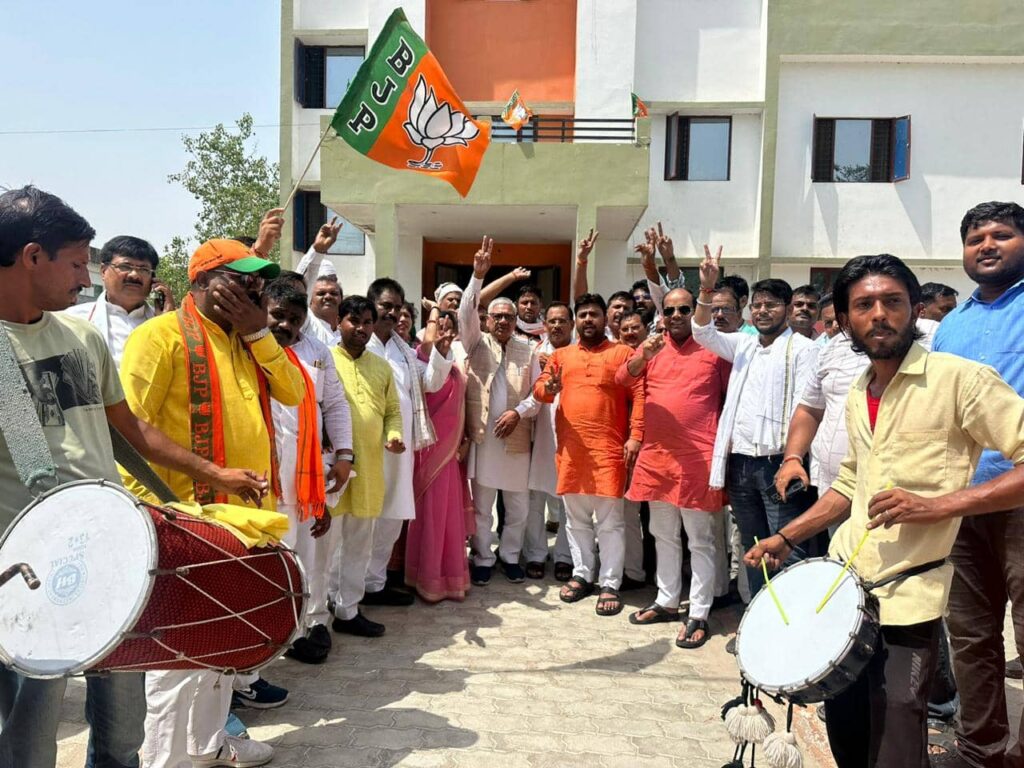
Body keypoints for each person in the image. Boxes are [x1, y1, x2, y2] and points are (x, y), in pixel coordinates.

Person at [0, 187, 269, 768]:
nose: (87, 277)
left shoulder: (81, 337)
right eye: (78, 263)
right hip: (29, 577)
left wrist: (213, 474)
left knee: (124, 730)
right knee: (28, 739)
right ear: (32, 257)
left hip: (109, 558)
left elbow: (131, 431)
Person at [746, 253, 1024, 768]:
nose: (879, 314)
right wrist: (787, 537)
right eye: (864, 305)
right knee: (847, 728)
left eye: (892, 302)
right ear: (844, 319)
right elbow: (851, 483)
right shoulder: (860, 390)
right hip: (844, 589)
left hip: (909, 594)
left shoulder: (961, 380)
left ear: (914, 310)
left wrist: (939, 506)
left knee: (896, 730)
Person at [119, 237, 304, 768]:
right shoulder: (159, 336)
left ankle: (207, 745)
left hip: (243, 520)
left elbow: (293, 391)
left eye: (258, 281)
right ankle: (165, 761)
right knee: (178, 656)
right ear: (202, 282)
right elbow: (129, 430)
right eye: (241, 278)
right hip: (182, 521)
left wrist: (259, 332)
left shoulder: (247, 339)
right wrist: (202, 481)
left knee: (223, 643)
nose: (254, 288)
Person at [932, 201, 1024, 768]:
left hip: (1022, 496)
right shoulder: (951, 325)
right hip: (962, 500)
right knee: (969, 634)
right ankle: (980, 750)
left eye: (1001, 235)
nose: (986, 246)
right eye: (974, 239)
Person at [691, 246, 821, 599]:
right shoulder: (744, 345)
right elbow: (702, 332)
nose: (762, 311)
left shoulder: (805, 350)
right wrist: (706, 288)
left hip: (779, 464)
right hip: (741, 464)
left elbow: (809, 408)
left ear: (789, 309)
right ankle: (757, 614)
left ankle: (790, 620)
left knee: (787, 547)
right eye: (757, 305)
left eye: (771, 305)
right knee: (752, 547)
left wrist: (794, 458)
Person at [619, 287, 730, 648]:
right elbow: (622, 379)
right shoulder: (652, 347)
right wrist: (643, 355)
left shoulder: (714, 349)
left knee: (700, 539)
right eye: (670, 311)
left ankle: (698, 612)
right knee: (662, 533)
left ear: (696, 312)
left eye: (684, 309)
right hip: (657, 457)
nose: (677, 316)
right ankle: (667, 601)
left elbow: (731, 397)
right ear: (662, 316)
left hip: (698, 458)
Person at [534, 293, 644, 616]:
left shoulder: (622, 353)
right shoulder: (561, 356)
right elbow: (540, 389)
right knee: (576, 520)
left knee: (610, 522)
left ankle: (610, 583)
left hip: (609, 452)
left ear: (604, 318)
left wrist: (635, 436)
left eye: (594, 314)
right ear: (575, 322)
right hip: (572, 452)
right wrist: (548, 389)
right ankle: (582, 574)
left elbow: (639, 394)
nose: (588, 320)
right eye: (582, 315)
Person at [263, 281, 353, 664]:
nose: (285, 325)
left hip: (307, 475)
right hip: (264, 475)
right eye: (278, 315)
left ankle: (303, 628)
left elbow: (334, 405)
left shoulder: (317, 351)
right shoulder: (249, 347)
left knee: (308, 556)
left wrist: (345, 455)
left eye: (294, 319)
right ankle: (267, 638)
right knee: (271, 559)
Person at [459, 237, 542, 585]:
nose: (504, 321)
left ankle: (509, 557)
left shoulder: (529, 349)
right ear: (488, 320)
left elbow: (538, 394)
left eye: (509, 316)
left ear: (516, 320)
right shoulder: (475, 342)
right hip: (484, 441)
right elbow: (465, 310)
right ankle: (482, 557)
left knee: (518, 506)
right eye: (498, 316)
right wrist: (478, 276)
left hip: (517, 438)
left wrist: (518, 413)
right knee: (483, 507)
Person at [364, 277, 447, 603]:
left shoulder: (404, 351)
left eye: (397, 307)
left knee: (391, 517)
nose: (392, 313)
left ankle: (375, 584)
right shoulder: (359, 344)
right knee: (363, 519)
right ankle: (349, 591)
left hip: (400, 450)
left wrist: (440, 353)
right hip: (367, 447)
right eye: (385, 306)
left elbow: (430, 383)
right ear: (371, 305)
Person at [327, 296, 405, 637]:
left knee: (359, 544)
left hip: (369, 469)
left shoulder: (381, 367)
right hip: (331, 469)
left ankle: (347, 610)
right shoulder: (324, 360)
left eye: (367, 322)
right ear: (339, 322)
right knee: (327, 546)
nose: (361, 328)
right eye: (354, 321)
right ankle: (320, 612)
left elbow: (393, 412)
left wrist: (394, 435)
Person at [405, 307, 471, 602]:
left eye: (449, 326)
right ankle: (424, 575)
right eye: (438, 325)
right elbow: (431, 384)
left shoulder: (455, 363)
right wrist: (440, 353)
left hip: (449, 451)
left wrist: (465, 439)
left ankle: (447, 576)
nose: (443, 331)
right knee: (429, 513)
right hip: (427, 450)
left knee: (446, 515)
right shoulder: (417, 358)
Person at [63, 235, 174, 367]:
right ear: (103, 271)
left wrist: (169, 324)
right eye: (125, 266)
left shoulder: (165, 323)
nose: (134, 275)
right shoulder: (72, 319)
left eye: (144, 270)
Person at [524, 302, 574, 581]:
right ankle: (535, 554)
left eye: (562, 321)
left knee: (568, 502)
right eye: (552, 321)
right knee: (535, 499)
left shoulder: (580, 352)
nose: (556, 326)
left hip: (572, 437)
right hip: (540, 435)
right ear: (545, 326)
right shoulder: (534, 353)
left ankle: (565, 556)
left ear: (571, 325)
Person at [291, 212, 345, 346]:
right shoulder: (306, 322)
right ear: (310, 298)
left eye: (334, 293)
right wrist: (318, 250)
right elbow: (296, 290)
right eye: (321, 293)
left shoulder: (347, 331)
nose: (328, 297)